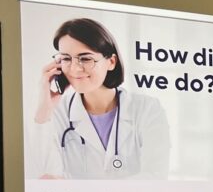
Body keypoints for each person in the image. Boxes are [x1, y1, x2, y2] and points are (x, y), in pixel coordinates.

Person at [32, 18, 170, 179]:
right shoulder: (57, 114)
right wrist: (44, 110)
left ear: (111, 62)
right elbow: (46, 180)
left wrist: (80, 190)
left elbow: (155, 177)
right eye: (66, 59)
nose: (75, 68)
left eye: (85, 58)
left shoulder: (147, 109)